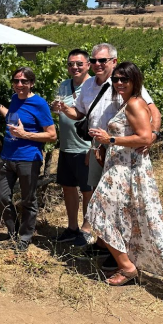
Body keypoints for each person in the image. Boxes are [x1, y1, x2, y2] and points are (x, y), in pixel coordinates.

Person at [56, 42, 162, 270]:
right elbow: (81, 113)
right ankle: (104, 244)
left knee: (118, 204)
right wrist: (65, 110)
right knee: (98, 197)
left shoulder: (124, 84)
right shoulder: (87, 87)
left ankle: (121, 255)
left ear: (113, 61)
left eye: (102, 61)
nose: (97, 65)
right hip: (98, 149)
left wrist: (152, 135)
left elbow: (153, 111)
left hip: (121, 154)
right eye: (93, 61)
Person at [87, 62, 163, 285]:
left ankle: (126, 267)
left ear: (135, 81)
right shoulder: (127, 103)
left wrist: (109, 139)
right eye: (116, 79)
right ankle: (128, 262)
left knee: (98, 212)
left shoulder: (134, 104)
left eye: (125, 79)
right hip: (120, 167)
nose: (119, 83)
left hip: (125, 170)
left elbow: (144, 137)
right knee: (124, 215)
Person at [0, 67, 57, 252]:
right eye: (16, 81)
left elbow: (52, 135)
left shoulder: (39, 104)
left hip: (28, 158)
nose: (19, 85)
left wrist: (25, 134)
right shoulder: (14, 99)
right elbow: (11, 117)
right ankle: (13, 233)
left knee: (28, 199)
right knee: (2, 196)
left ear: (32, 83)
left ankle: (25, 236)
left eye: (24, 81)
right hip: (7, 157)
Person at [50, 49, 92, 246]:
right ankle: (72, 227)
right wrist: (54, 107)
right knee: (68, 188)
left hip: (86, 148)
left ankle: (87, 229)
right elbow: (57, 109)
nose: (74, 67)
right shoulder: (64, 85)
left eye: (78, 64)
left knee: (87, 190)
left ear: (88, 65)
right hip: (66, 147)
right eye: (70, 64)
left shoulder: (93, 86)